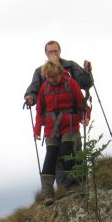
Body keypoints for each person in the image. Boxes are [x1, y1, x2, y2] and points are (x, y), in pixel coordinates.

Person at [24, 40, 93, 187]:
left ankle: (80, 184)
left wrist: (87, 72)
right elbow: (35, 89)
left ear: (60, 51)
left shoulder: (70, 66)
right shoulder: (41, 71)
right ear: (46, 54)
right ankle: (66, 188)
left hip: (70, 119)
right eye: (50, 52)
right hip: (53, 122)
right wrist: (30, 97)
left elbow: (85, 83)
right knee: (58, 154)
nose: (53, 54)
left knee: (74, 149)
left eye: (55, 51)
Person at [33, 60, 86, 206]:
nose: (52, 80)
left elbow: (81, 103)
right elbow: (39, 111)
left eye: (54, 77)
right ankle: (47, 193)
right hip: (51, 127)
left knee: (67, 152)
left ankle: (71, 186)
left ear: (59, 73)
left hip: (69, 124)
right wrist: (37, 129)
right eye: (49, 78)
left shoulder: (71, 83)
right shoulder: (45, 87)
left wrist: (84, 117)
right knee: (50, 156)